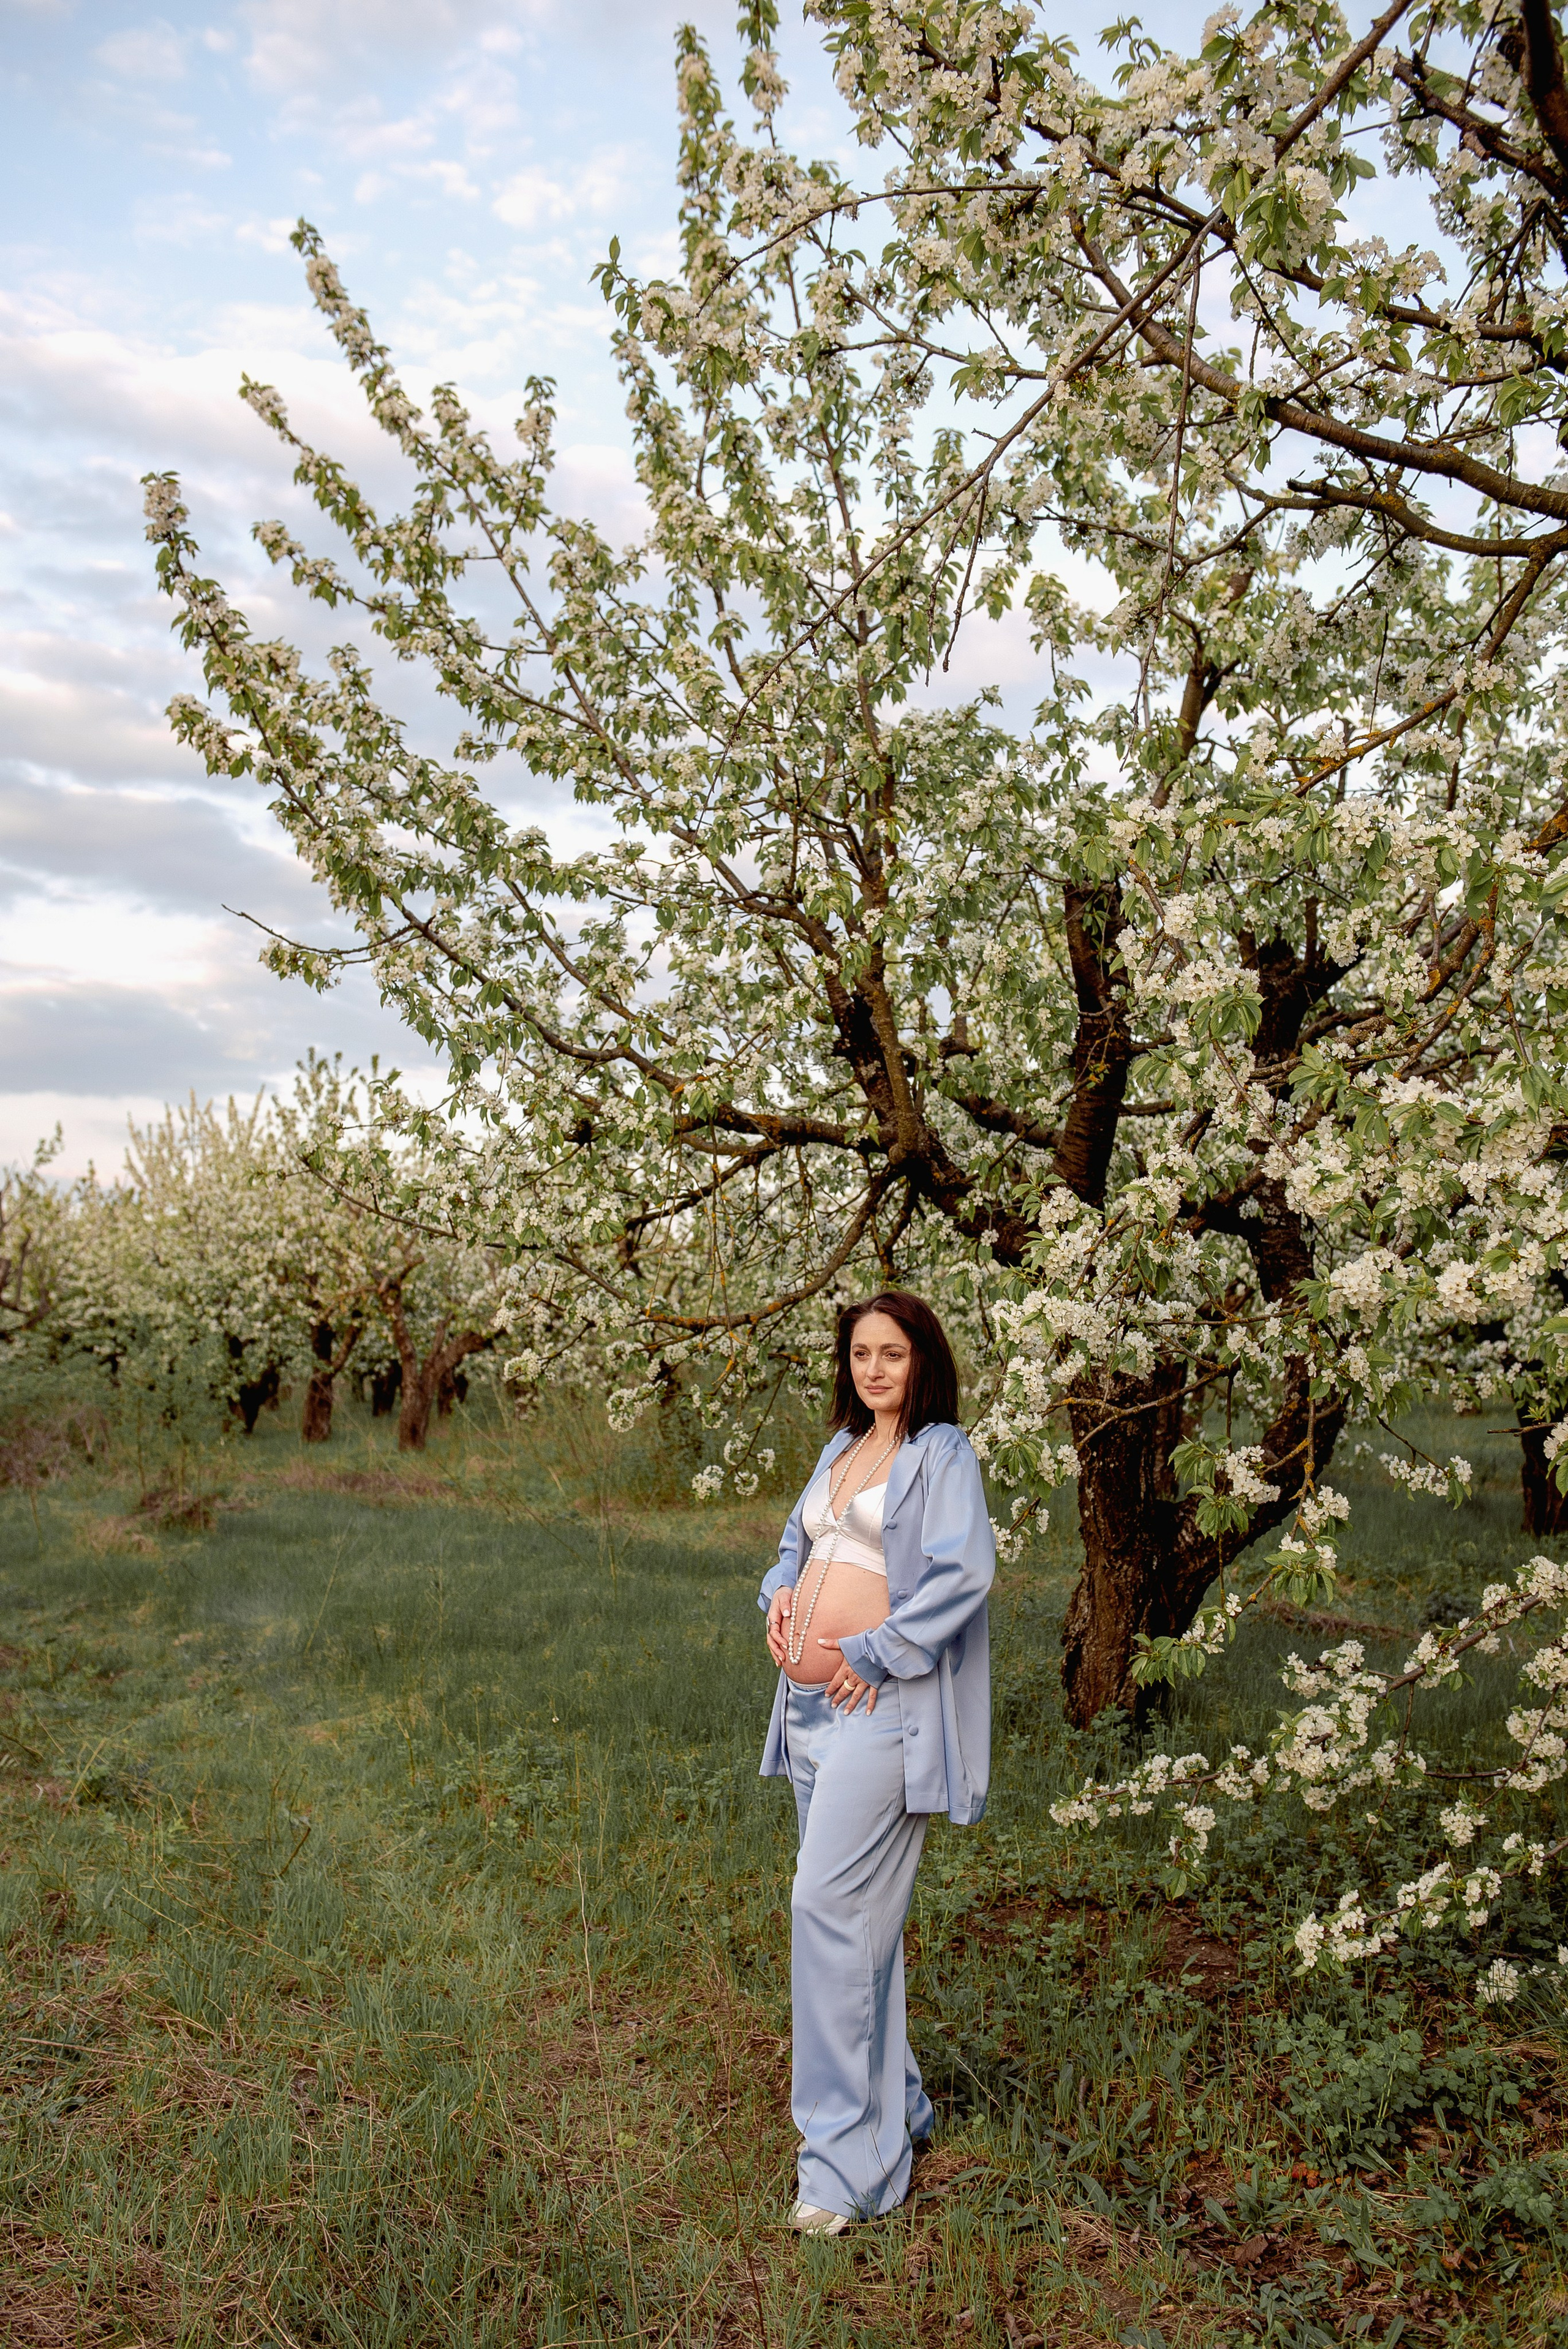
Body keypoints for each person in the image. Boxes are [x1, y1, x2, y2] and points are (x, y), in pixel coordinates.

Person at [758, 1290, 995, 2234]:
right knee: (860, 1926)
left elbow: (962, 1576)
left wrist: (870, 1652)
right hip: (810, 1713)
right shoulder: (838, 1449)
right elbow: (795, 1545)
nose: (875, 1369)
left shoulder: (941, 1454)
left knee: (825, 1908)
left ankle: (844, 2168)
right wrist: (780, 1596)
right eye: (861, 1353)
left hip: (882, 1712)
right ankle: (899, 2110)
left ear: (921, 1359)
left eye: (892, 1353)